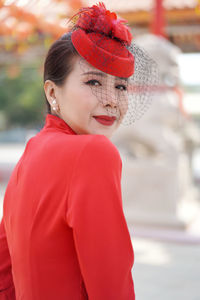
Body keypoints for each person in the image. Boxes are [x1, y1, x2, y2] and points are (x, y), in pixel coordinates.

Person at [0, 2, 159, 299]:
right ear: (51, 92)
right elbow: (111, 285)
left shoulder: (30, 154)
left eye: (121, 87)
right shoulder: (94, 152)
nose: (111, 100)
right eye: (94, 81)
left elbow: (4, 275)